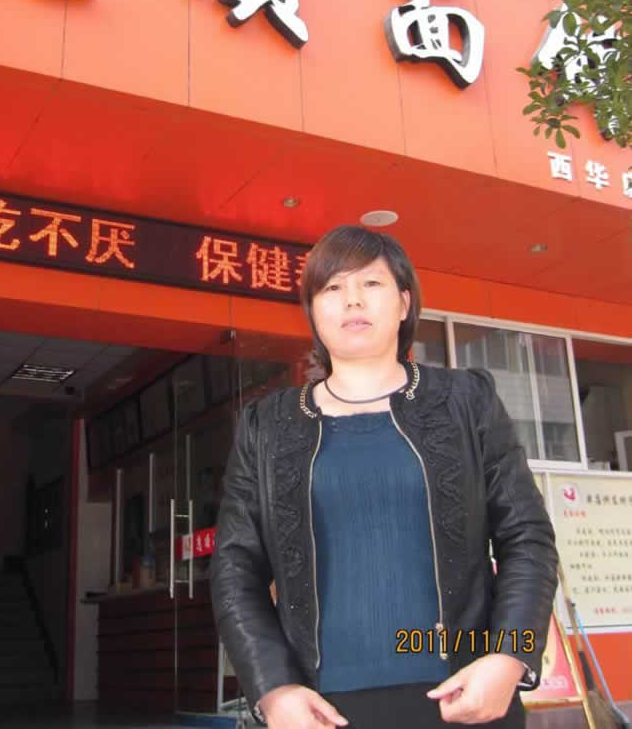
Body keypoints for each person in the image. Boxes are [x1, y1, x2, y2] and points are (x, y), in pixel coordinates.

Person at [210, 225, 558, 728]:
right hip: (319, 710)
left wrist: (510, 657)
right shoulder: (267, 426)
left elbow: (526, 536)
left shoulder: (466, 401)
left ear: (403, 303)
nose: (352, 299)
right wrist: (272, 688)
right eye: (332, 287)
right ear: (313, 312)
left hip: (467, 696)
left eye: (371, 283)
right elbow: (235, 567)